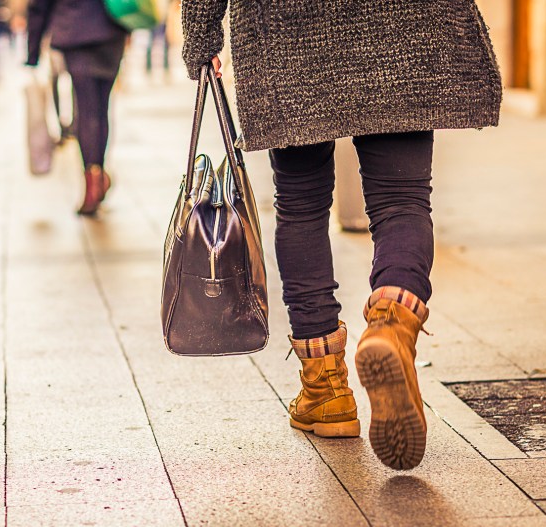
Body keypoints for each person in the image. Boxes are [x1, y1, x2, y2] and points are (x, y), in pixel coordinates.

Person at [182, 2, 501, 470]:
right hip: (404, 23)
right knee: (402, 199)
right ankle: (392, 324)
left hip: (287, 31)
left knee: (301, 205)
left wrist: (201, 35)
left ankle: (325, 389)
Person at [26, 0, 128, 215]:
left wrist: (33, 51)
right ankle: (98, 175)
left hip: (75, 31)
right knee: (101, 108)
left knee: (87, 109)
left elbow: (39, 5)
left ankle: (93, 181)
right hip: (110, 30)